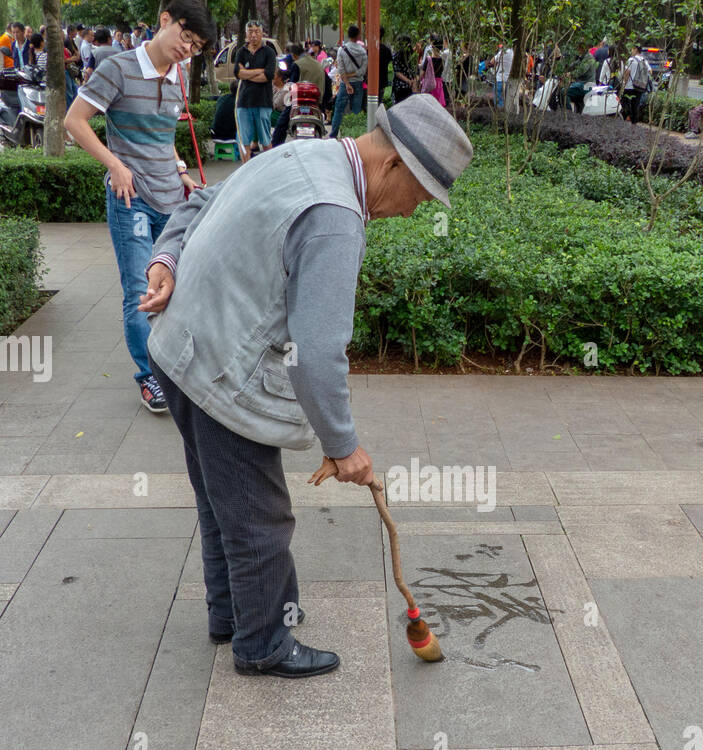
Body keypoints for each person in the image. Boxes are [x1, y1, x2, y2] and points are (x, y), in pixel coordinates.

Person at [138, 95, 473, 677]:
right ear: (392, 166)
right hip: (220, 371)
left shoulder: (305, 153)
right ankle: (263, 642)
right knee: (260, 516)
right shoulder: (336, 217)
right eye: (418, 197)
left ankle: (232, 615)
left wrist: (164, 257)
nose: (413, 212)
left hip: (180, 347)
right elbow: (317, 351)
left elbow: (203, 199)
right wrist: (343, 446)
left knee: (222, 502)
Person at [64, 0, 212, 415]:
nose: (189, 49)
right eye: (186, 37)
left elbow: (163, 138)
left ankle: (173, 365)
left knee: (177, 287)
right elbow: (74, 123)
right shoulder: (119, 67)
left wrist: (181, 170)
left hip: (172, 199)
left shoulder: (177, 75)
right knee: (138, 289)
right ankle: (150, 376)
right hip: (131, 200)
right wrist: (115, 165)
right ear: (165, 21)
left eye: (197, 46)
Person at [234, 21, 278, 155]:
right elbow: (238, 73)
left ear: (262, 33)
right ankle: (246, 170)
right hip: (244, 102)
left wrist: (246, 74)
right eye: (250, 32)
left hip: (263, 102)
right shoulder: (241, 51)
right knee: (244, 141)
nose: (253, 35)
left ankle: (269, 171)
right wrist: (259, 71)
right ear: (246, 34)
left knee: (265, 140)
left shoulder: (269, 52)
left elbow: (268, 75)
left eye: (257, 31)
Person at [330, 25, 367, 138]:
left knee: (339, 109)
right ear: (358, 36)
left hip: (344, 84)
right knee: (356, 110)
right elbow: (362, 71)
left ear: (348, 35)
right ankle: (355, 136)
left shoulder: (342, 49)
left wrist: (346, 83)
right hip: (358, 83)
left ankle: (333, 134)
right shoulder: (362, 51)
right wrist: (354, 74)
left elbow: (340, 70)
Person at [621, 42, 651, 124]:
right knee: (635, 105)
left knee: (625, 104)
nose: (631, 50)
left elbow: (627, 72)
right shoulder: (644, 60)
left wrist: (624, 82)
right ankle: (634, 123)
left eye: (632, 49)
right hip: (639, 86)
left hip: (630, 86)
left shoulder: (631, 59)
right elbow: (650, 71)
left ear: (635, 49)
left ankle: (624, 120)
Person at [493, 40, 513, 106]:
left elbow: (492, 61)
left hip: (499, 79)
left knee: (498, 102)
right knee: (506, 102)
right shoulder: (513, 53)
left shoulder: (502, 52)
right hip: (508, 80)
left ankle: (499, 115)